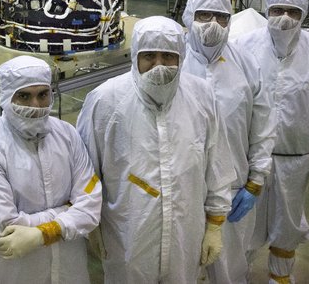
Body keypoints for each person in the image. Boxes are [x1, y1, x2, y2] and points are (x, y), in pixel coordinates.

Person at [76, 15, 235, 284]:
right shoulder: (105, 101)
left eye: (168, 56)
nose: (159, 65)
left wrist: (215, 224)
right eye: (149, 55)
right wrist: (91, 224)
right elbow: (85, 172)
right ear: (135, 56)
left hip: (185, 233)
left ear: (181, 57)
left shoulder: (201, 96)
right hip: (127, 236)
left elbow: (216, 162)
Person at [236, 0, 309, 284]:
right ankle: (236, 276)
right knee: (245, 225)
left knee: (287, 224)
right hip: (250, 157)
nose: (284, 18)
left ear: (304, 14)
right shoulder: (245, 45)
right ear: (266, 10)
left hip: (296, 158)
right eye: (277, 10)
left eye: (293, 12)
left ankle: (280, 278)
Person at [0, 55, 101, 284]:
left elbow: (90, 205)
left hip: (70, 271)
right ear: (6, 98)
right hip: (16, 274)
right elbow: (6, 228)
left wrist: (42, 233)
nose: (36, 106)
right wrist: (68, 211)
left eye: (43, 94)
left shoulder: (68, 135)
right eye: (23, 96)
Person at [181, 0, 277, 284]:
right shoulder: (173, 61)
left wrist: (256, 181)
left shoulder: (246, 64)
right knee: (182, 265)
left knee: (230, 266)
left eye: (222, 17)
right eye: (204, 16)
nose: (213, 24)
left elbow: (263, 126)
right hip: (182, 188)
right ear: (188, 18)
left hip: (235, 188)